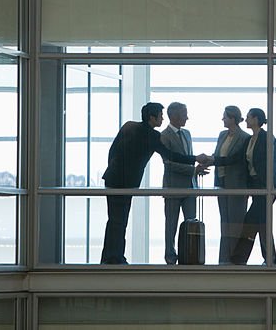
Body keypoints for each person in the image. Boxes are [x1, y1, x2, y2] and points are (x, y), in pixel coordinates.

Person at [100, 102, 211, 264]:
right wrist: (195, 158)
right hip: (126, 183)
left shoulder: (128, 126)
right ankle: (114, 258)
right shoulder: (153, 136)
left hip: (112, 179)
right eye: (160, 115)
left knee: (115, 220)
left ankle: (111, 257)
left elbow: (112, 150)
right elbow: (170, 156)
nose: (162, 118)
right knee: (120, 221)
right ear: (152, 117)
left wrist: (113, 169)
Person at [212, 107, 276, 265]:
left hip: (266, 188)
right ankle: (269, 259)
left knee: (251, 221)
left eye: (249, 117)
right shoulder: (250, 139)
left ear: (256, 119)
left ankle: (239, 259)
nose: (246, 120)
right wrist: (213, 161)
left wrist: (267, 189)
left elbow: (272, 165)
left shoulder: (267, 138)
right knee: (262, 224)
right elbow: (234, 158)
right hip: (256, 187)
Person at [159, 102, 208, 265]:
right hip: (173, 187)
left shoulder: (187, 133)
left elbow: (187, 159)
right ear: (173, 116)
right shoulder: (164, 136)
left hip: (190, 187)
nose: (187, 117)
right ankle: (170, 257)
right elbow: (169, 163)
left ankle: (190, 255)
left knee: (191, 224)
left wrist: (196, 169)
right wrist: (192, 170)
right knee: (171, 225)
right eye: (184, 114)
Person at [212, 105, 248, 264]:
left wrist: (212, 160)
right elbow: (218, 155)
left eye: (225, 116)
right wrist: (209, 160)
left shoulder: (244, 137)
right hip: (222, 183)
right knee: (224, 222)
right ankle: (224, 259)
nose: (222, 119)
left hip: (237, 185)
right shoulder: (222, 135)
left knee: (236, 223)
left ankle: (235, 259)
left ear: (232, 119)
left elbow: (235, 159)